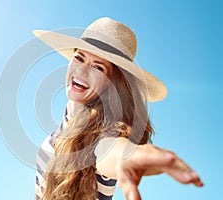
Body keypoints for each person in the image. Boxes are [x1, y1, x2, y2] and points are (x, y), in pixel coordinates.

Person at [33, 17, 203, 200]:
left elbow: (110, 150)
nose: (82, 71)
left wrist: (131, 158)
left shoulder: (103, 133)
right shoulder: (63, 128)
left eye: (98, 68)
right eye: (79, 58)